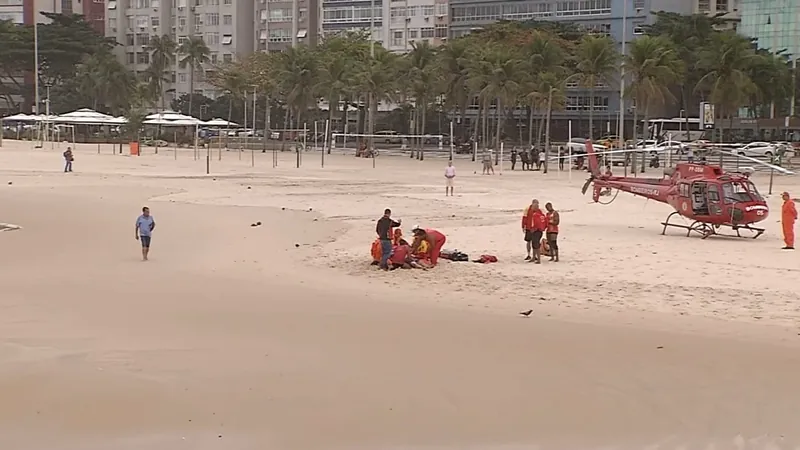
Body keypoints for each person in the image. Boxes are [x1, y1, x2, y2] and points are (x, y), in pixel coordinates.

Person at [521, 199, 547, 263]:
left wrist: (543, 227)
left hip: (536, 230)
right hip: (529, 228)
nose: (537, 206)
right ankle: (530, 255)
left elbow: (542, 220)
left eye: (537, 204)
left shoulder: (539, 212)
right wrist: (523, 226)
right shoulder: (528, 209)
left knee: (536, 244)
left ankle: (537, 258)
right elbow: (524, 218)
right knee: (529, 242)